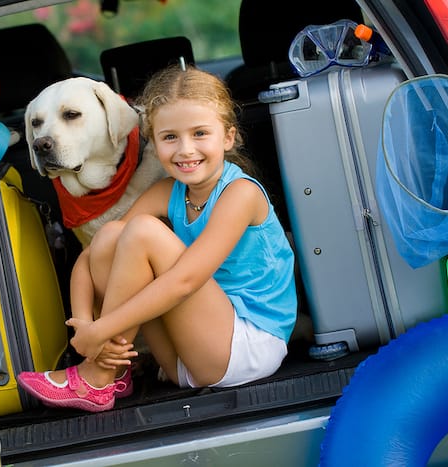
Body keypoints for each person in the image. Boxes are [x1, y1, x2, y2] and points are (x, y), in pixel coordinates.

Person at [17, 65, 297, 412]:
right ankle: (113, 370)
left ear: (228, 137)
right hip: (183, 362)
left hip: (245, 347)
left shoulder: (240, 194)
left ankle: (97, 375)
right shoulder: (169, 192)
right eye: (169, 137)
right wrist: (85, 327)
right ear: (153, 140)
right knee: (110, 237)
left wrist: (103, 329)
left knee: (142, 232)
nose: (184, 149)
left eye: (199, 134)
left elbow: (185, 281)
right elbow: (90, 258)